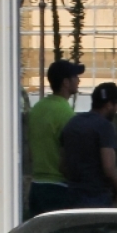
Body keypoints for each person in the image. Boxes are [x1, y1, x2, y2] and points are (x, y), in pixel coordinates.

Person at [27, 59, 84, 217]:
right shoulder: (67, 114)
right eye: (75, 77)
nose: (79, 80)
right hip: (58, 187)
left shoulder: (37, 109)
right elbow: (71, 155)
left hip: (37, 185)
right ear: (66, 82)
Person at [61, 82, 117, 208]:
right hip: (97, 196)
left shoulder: (73, 123)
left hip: (71, 194)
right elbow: (109, 168)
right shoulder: (105, 126)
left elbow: (63, 164)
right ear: (109, 105)